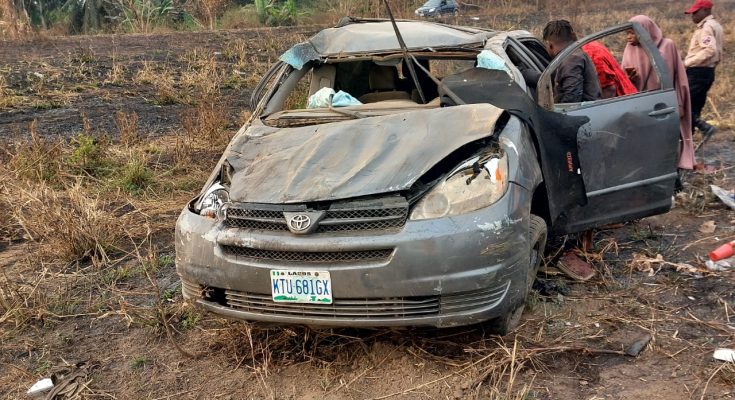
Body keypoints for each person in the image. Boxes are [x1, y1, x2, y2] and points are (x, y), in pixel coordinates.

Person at [622, 15, 695, 170]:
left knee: (667, 141)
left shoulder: (667, 46)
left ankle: (672, 175)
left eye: (632, 32)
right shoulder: (629, 49)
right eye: (626, 33)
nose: (628, 37)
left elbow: (678, 76)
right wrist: (630, 78)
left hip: (663, 102)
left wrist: (679, 101)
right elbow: (624, 80)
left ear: (645, 30)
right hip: (640, 105)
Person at [684, 0, 723, 140]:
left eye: (695, 12)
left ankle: (703, 126)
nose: (692, 16)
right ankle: (689, 138)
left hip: (698, 71)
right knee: (695, 106)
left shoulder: (706, 27)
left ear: (705, 11)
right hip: (707, 71)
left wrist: (687, 63)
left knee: (682, 102)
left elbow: (710, 50)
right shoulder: (715, 25)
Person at [542, 20, 601, 103]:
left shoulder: (571, 59)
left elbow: (571, 99)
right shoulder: (574, 54)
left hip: (584, 112)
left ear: (550, 45)